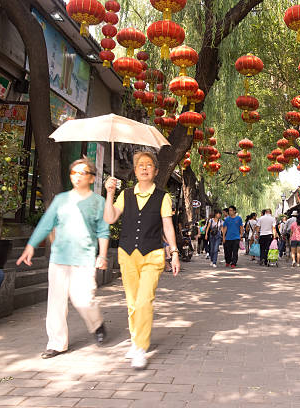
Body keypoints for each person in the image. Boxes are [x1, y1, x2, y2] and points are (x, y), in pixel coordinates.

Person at [16, 158, 109, 359]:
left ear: (92, 178)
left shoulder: (98, 202)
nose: (77, 176)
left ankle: (97, 324)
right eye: (73, 173)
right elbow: (46, 224)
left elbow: (103, 230)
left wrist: (102, 255)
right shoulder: (61, 199)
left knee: (83, 299)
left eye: (82, 172)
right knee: (56, 303)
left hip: (84, 259)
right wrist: (31, 246)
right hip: (59, 258)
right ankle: (57, 343)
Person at [103, 151, 180, 370]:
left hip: (153, 254)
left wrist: (173, 252)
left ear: (155, 171)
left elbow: (167, 226)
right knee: (132, 303)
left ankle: (140, 347)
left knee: (144, 300)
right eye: (140, 165)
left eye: (148, 165)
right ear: (135, 171)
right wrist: (109, 193)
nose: (144, 168)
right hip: (127, 254)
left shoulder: (163, 197)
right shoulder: (125, 194)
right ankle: (136, 340)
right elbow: (110, 218)